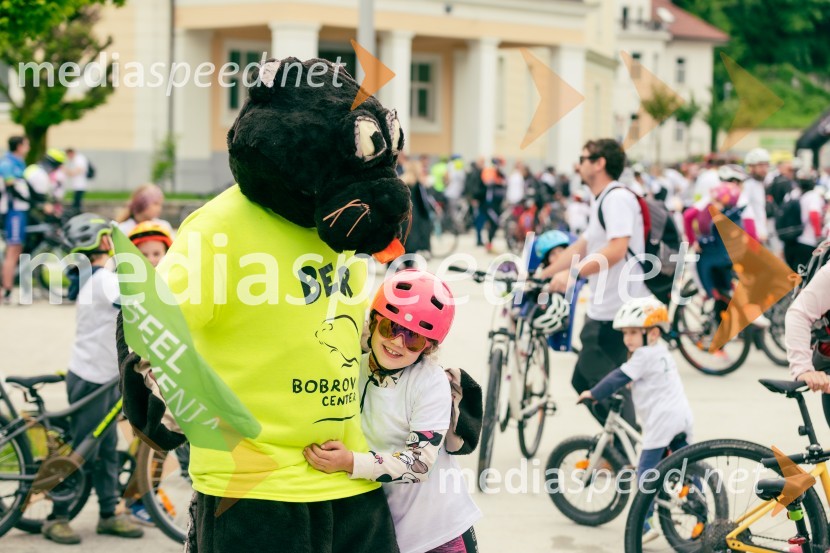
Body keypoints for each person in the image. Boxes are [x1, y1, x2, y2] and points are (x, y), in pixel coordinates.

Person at [303, 269, 482, 553]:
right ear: (373, 322)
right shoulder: (352, 368)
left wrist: (350, 462)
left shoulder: (429, 381)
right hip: (383, 532)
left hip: (439, 533)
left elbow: (419, 463)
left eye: (413, 338)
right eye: (390, 327)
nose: (397, 342)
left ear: (429, 346)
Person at [42, 213, 144, 544]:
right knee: (83, 450)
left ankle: (108, 513)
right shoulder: (103, 280)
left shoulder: (94, 278)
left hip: (97, 377)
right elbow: (138, 303)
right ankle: (57, 516)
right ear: (103, 242)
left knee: (106, 449)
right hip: (92, 378)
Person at [543, 138, 648, 428]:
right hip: (608, 306)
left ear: (599, 163)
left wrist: (573, 275)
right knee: (597, 378)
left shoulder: (616, 198)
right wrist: (544, 273)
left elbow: (616, 249)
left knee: (595, 376)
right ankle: (619, 446)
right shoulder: (601, 198)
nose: (579, 163)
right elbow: (583, 245)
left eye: (583, 157)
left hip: (622, 307)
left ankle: (626, 451)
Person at [578, 296, 693, 544]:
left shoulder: (642, 356)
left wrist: (594, 393)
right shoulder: (660, 352)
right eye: (624, 333)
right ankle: (698, 498)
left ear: (652, 333)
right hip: (681, 415)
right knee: (685, 463)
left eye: (632, 332)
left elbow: (618, 377)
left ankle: (647, 523)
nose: (627, 338)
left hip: (662, 421)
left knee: (645, 474)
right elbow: (646, 380)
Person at [0, 135, 31, 304]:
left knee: (14, 250)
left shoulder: (18, 163)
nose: (29, 147)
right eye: (26, 145)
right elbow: (12, 190)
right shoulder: (7, 164)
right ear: (19, 146)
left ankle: (6, 289)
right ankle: (7, 292)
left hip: (19, 211)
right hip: (13, 212)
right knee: (13, 251)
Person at [783, 171, 825, 272]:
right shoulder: (813, 196)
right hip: (807, 241)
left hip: (790, 239)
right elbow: (814, 214)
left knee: (792, 273)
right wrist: (818, 235)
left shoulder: (792, 193)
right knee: (803, 275)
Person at [740, 148, 771, 243]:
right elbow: (745, 212)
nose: (764, 169)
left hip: (761, 236)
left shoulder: (760, 184)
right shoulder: (748, 185)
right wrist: (755, 234)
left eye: (766, 165)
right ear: (751, 167)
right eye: (760, 165)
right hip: (753, 237)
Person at [63, 148, 90, 212]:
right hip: (77, 185)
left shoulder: (79, 159)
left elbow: (79, 169)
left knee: (77, 202)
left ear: (71, 153)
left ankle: (77, 212)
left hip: (80, 185)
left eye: (68, 155)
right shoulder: (76, 159)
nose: (68, 157)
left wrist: (68, 171)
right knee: (76, 202)